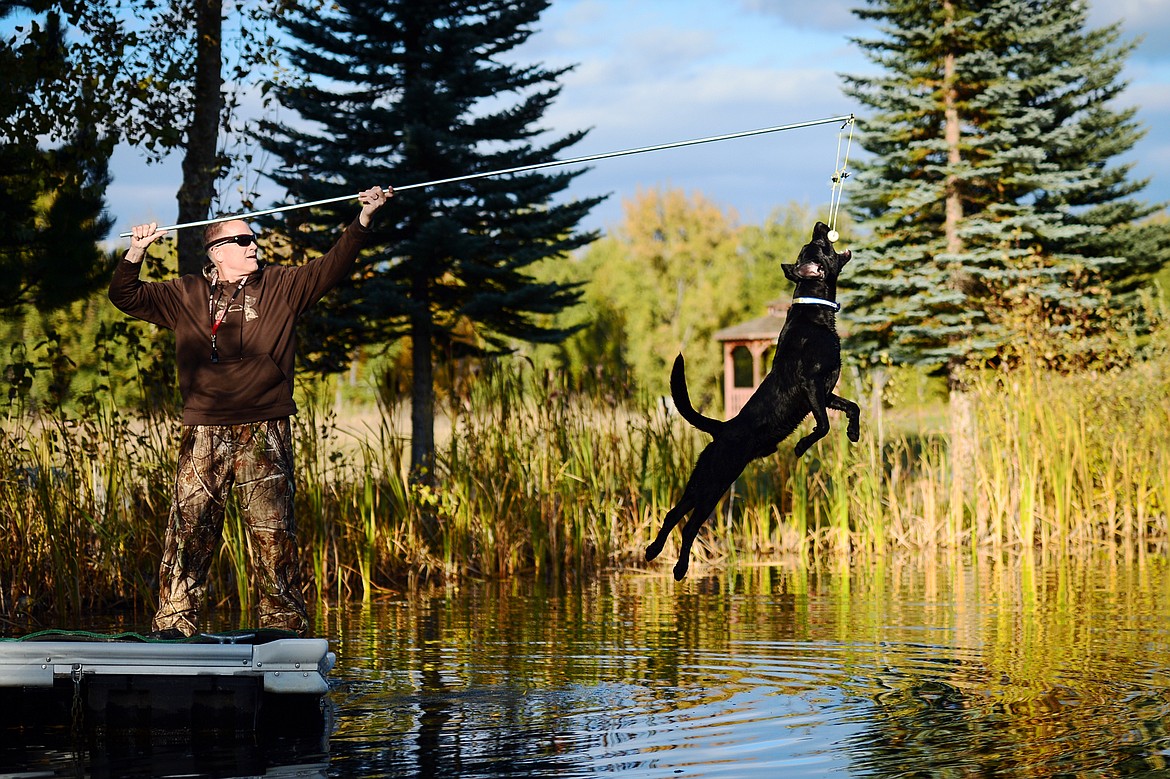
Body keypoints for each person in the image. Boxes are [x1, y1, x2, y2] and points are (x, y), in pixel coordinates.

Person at [109, 186, 392, 638]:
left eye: (254, 238)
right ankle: (173, 629)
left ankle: (283, 632)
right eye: (242, 240)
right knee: (189, 533)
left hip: (264, 427)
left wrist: (363, 220)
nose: (253, 245)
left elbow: (333, 265)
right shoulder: (185, 293)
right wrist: (136, 251)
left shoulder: (282, 285)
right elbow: (125, 295)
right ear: (216, 251)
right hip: (204, 430)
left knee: (273, 535)